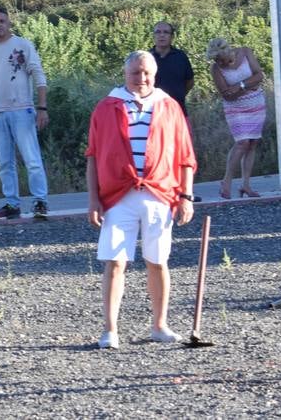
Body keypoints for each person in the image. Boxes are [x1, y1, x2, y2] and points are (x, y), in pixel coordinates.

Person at [86, 50, 196, 349]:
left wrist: (186, 196)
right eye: (136, 73)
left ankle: (159, 325)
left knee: (157, 261)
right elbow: (94, 156)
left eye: (146, 72)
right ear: (125, 74)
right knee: (115, 262)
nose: (142, 78)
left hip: (160, 193)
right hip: (119, 196)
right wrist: (93, 199)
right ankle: (110, 330)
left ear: (154, 74)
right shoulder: (106, 107)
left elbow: (186, 155)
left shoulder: (169, 106)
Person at [0, 7, 50, 221]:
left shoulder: (22, 45)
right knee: (5, 162)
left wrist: (42, 107)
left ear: (9, 23)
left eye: (2, 20)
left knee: (31, 158)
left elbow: (38, 75)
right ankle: (12, 202)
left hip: (21, 109)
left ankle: (40, 200)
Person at [207, 38, 267, 199]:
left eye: (220, 58)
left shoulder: (245, 52)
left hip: (256, 104)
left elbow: (259, 75)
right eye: (216, 59)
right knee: (242, 143)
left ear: (228, 51)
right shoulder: (216, 69)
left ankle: (246, 185)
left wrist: (239, 86)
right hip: (236, 108)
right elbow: (226, 94)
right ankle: (226, 181)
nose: (219, 62)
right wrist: (248, 86)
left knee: (253, 143)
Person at [149, 21, 195, 114]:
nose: (162, 35)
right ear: (153, 36)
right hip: (151, 111)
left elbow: (190, 81)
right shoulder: (146, 57)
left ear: (172, 37)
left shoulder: (181, 56)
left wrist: (180, 94)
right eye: (158, 32)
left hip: (178, 110)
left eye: (166, 32)